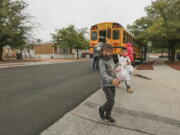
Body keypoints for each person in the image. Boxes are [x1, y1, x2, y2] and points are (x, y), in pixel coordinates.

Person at [97, 44, 120, 124]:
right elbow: (103, 74)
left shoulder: (111, 59)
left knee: (111, 101)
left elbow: (112, 70)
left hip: (112, 83)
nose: (108, 53)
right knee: (111, 101)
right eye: (106, 52)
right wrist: (112, 80)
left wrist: (117, 77)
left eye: (110, 52)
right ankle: (101, 109)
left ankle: (108, 116)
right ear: (102, 52)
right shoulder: (101, 61)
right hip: (106, 84)